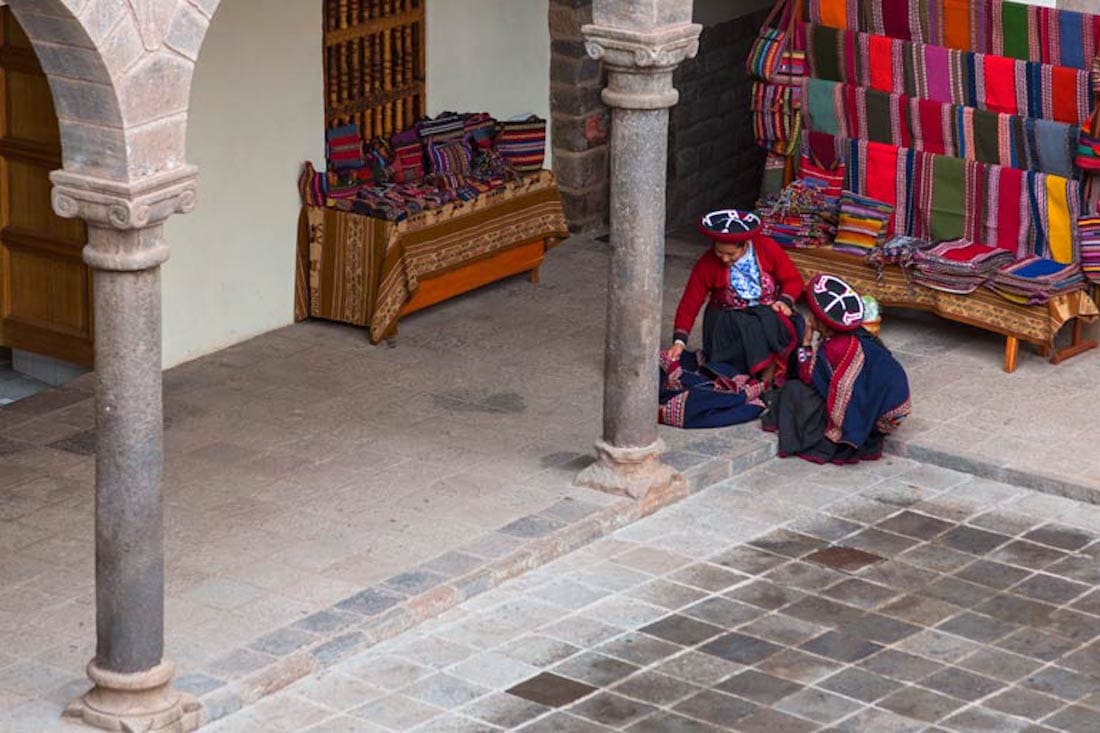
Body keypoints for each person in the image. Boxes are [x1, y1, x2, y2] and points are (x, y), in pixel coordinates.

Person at [762, 273, 911, 464]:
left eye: (813, 316)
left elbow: (807, 376)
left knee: (793, 390)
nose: (809, 319)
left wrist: (806, 342)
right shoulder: (860, 335)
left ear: (821, 322)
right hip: (891, 410)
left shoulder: (834, 348)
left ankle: (845, 432)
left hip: (876, 419)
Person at [666, 209, 805, 386]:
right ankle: (759, 375)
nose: (724, 258)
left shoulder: (766, 248)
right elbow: (690, 302)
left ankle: (771, 369)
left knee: (788, 323)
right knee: (751, 328)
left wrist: (784, 301)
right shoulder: (707, 263)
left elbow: (793, 279)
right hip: (727, 317)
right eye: (719, 252)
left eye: (731, 254)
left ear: (745, 244)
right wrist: (680, 340)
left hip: (767, 309)